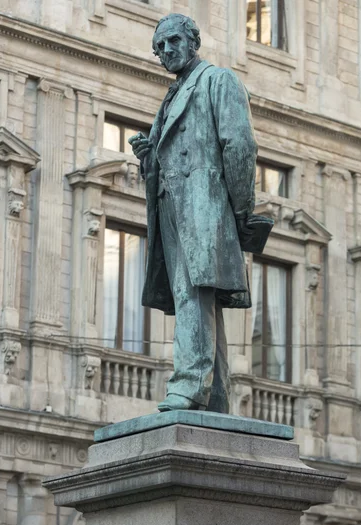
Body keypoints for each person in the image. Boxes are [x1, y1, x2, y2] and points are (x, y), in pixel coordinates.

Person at [129, 13, 258, 413]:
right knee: (200, 299)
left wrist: (239, 211)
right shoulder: (171, 95)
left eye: (171, 41)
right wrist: (149, 157)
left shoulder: (217, 80)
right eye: (158, 48)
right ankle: (215, 395)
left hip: (204, 206)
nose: (165, 51)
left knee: (193, 295)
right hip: (172, 206)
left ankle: (188, 385)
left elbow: (239, 146)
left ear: (192, 40)